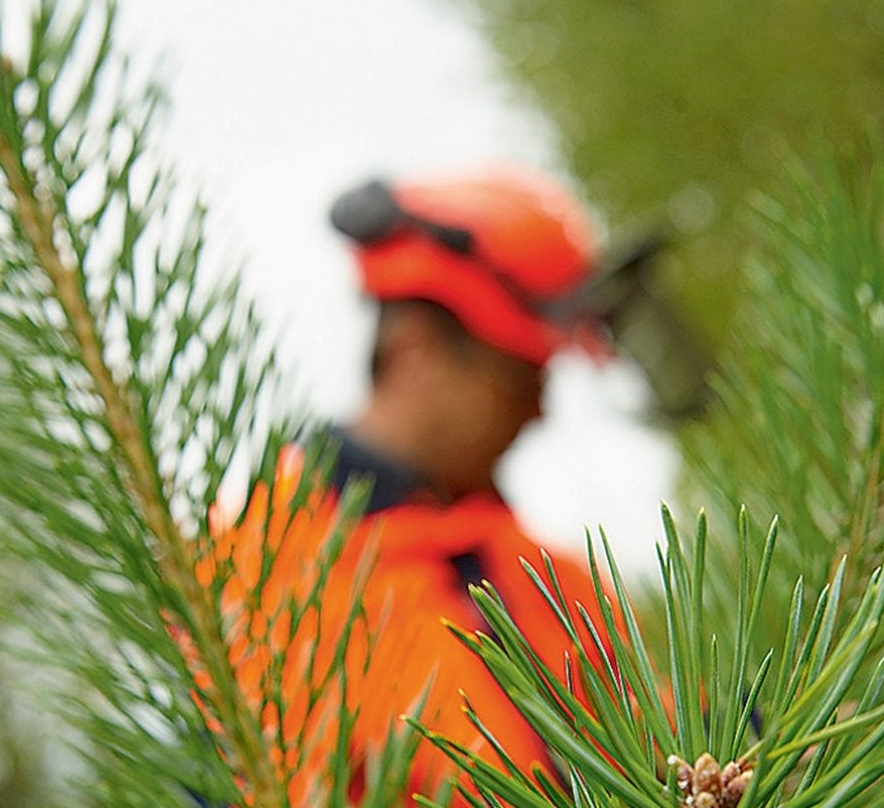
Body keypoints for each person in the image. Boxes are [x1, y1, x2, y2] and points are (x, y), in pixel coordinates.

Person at [208, 166, 626, 805]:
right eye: (520, 380)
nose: (538, 412)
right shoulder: (261, 581)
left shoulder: (544, 574)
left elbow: (652, 743)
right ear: (416, 350)